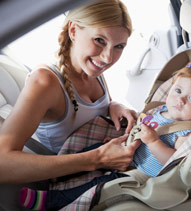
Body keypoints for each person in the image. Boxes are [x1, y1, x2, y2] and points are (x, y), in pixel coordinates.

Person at [19, 58, 191, 210]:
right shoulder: (161, 110)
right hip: (128, 149)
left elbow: (173, 162)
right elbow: (142, 127)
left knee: (99, 186)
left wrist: (153, 141)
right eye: (178, 91)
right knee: (93, 150)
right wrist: (126, 140)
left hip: (140, 170)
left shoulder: (188, 130)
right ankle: (56, 173)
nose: (180, 100)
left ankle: (51, 201)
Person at [0, 0, 140, 186]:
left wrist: (114, 106)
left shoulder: (92, 70)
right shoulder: (45, 81)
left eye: (119, 46)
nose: (108, 58)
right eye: (99, 40)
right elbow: (3, 165)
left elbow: (92, 111)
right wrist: (97, 158)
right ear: (73, 31)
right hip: (70, 183)